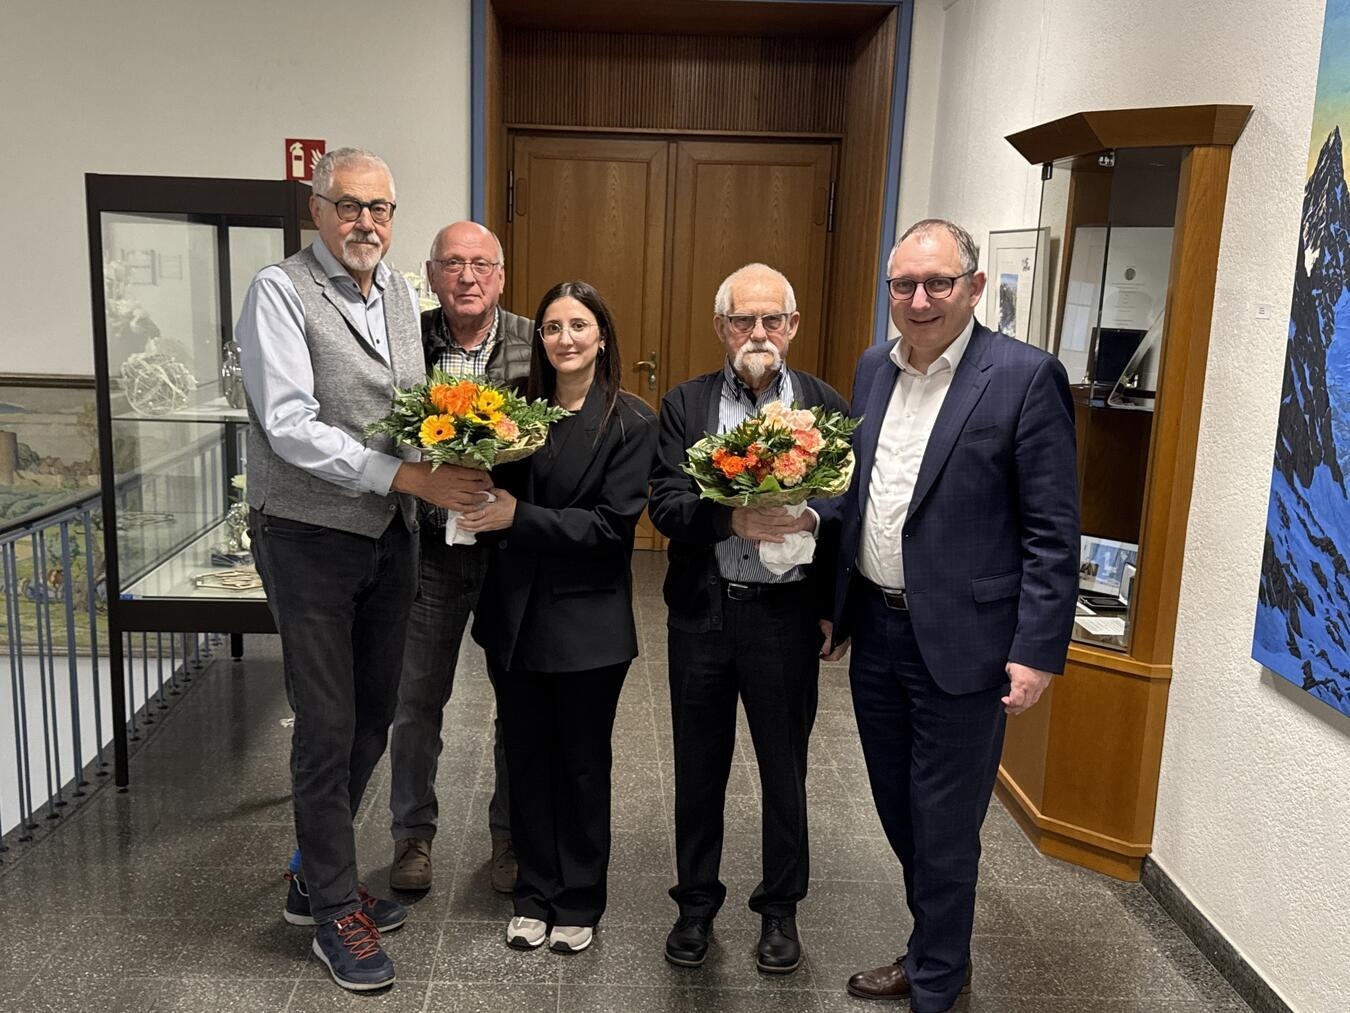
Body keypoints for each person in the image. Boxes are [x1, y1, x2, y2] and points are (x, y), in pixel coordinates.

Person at [237, 148, 491, 992]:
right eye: (349, 206)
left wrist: (464, 445)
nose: (366, 223)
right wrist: (411, 475)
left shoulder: (398, 297)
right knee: (327, 720)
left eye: (380, 208)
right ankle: (331, 906)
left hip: (391, 535)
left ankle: (319, 873)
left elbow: (407, 409)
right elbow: (288, 424)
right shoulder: (280, 292)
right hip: (307, 535)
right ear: (316, 209)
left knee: (377, 711)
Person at [823, 219, 1079, 1012]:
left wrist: (1036, 649)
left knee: (944, 819)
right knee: (898, 806)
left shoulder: (1025, 378)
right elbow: (860, 496)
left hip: (967, 644)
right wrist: (835, 607)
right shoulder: (872, 370)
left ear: (972, 285)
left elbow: (1050, 528)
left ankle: (937, 980)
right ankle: (932, 944)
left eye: (938, 282)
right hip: (878, 628)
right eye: (904, 284)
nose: (920, 299)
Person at [648, 263, 847, 974]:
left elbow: (848, 506)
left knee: (784, 770)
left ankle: (780, 911)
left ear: (792, 327)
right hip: (703, 615)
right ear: (721, 327)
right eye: (742, 320)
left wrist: (830, 601)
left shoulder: (824, 404)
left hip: (785, 620)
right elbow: (667, 507)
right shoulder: (686, 405)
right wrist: (734, 516)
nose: (756, 333)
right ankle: (695, 905)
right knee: (698, 769)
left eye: (770, 320)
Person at [458, 280, 657, 955]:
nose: (564, 338)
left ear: (602, 335)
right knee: (527, 760)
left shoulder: (631, 420)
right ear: (538, 339)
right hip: (512, 617)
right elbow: (491, 502)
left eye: (578, 325)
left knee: (580, 765)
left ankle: (578, 896)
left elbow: (609, 527)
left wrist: (519, 518)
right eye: (551, 327)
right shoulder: (515, 413)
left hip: (588, 627)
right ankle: (534, 892)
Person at [387, 221, 531, 894]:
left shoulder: (536, 344)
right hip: (429, 553)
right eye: (452, 264)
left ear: (501, 275)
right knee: (417, 700)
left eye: (481, 265)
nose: (467, 277)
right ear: (432, 272)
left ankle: (510, 838)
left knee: (518, 702)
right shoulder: (404, 341)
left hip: (511, 554)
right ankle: (411, 835)